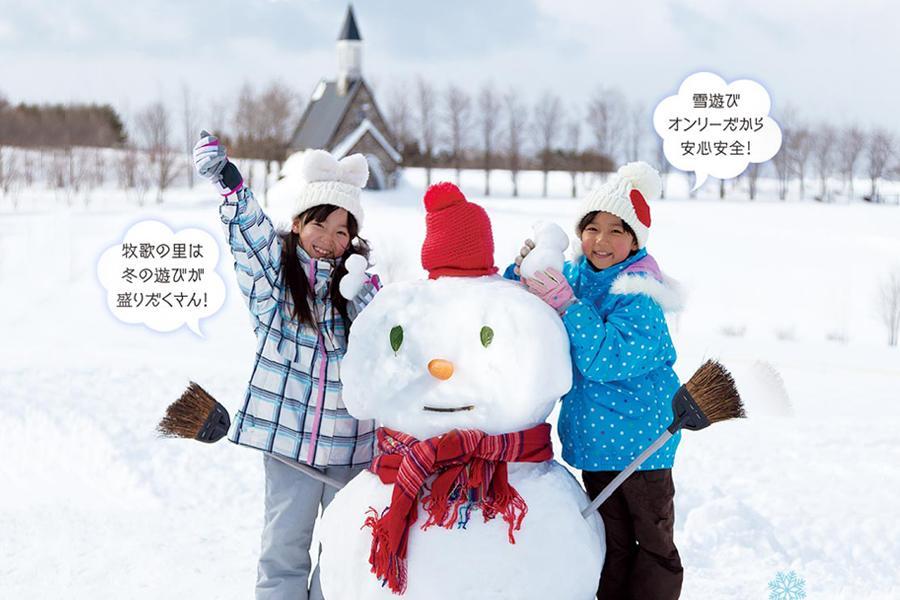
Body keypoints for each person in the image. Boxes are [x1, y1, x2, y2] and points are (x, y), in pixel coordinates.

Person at [193, 134, 379, 600]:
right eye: (321, 224)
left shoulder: (358, 291)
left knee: (341, 562)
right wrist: (230, 184)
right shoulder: (274, 288)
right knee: (283, 555)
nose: (330, 241)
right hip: (288, 450)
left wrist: (365, 293)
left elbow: (386, 348)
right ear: (298, 223)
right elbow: (250, 241)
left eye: (343, 232)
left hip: (351, 455)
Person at [506, 161, 685, 600]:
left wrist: (568, 308)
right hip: (598, 445)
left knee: (653, 544)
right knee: (613, 543)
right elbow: (520, 296)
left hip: (644, 447)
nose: (601, 241)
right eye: (592, 228)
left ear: (634, 240)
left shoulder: (640, 294)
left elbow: (605, 358)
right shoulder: (577, 275)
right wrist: (523, 268)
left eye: (616, 231)